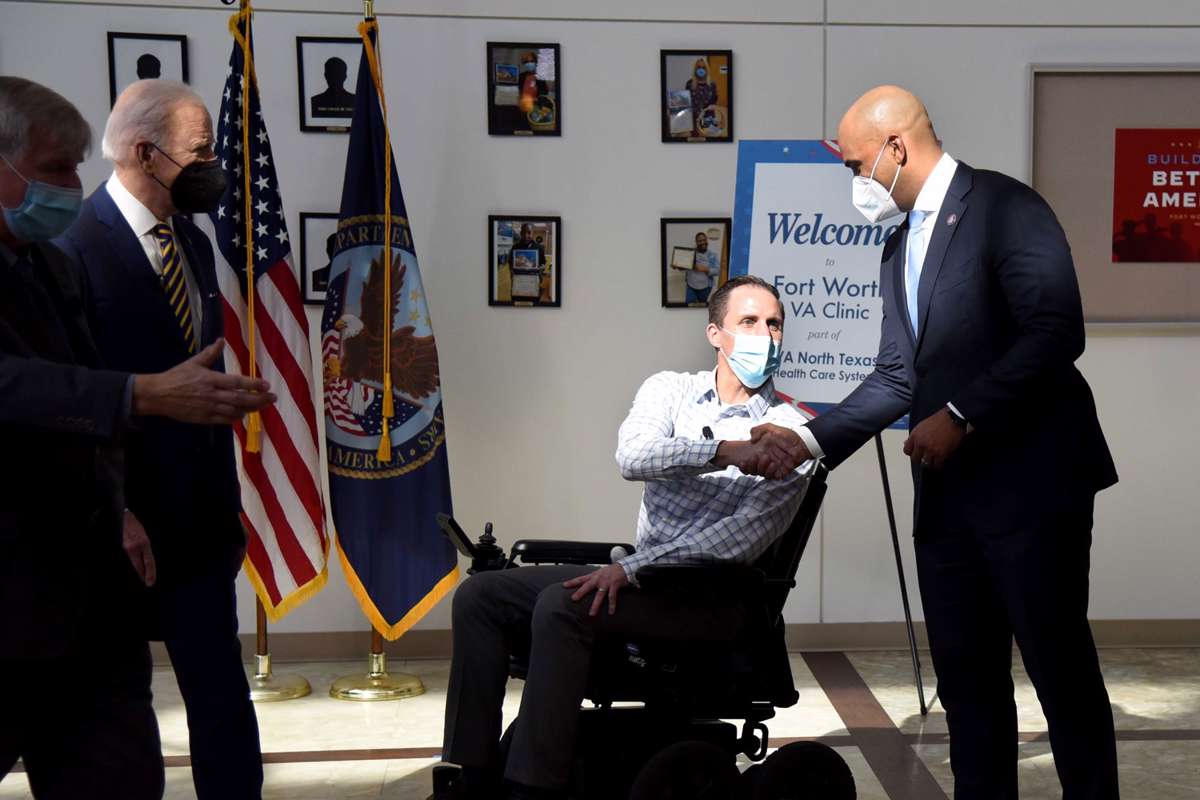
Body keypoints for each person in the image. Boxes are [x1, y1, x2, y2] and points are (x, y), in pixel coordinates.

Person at [786, 85, 1119, 798]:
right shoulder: (897, 245)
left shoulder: (1006, 207)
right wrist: (804, 443)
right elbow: (896, 377)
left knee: (1060, 673)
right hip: (948, 502)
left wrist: (962, 413)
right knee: (967, 685)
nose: (854, 183)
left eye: (855, 166)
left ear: (896, 148)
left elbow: (1057, 330)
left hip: (1033, 489)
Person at [437, 275, 814, 800]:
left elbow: (734, 546)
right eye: (748, 322)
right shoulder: (670, 389)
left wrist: (631, 568)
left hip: (713, 598)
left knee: (563, 606)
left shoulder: (790, 433)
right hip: (645, 581)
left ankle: (531, 790)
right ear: (715, 333)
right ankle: (470, 778)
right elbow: (633, 457)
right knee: (480, 596)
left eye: (773, 324)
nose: (764, 335)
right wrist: (724, 451)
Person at [0, 75, 273, 800]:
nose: (213, 164)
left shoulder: (186, 243)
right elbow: (49, 389)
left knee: (209, 704)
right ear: (149, 153)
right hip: (95, 540)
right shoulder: (73, 243)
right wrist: (120, 498)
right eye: (201, 150)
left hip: (188, 528)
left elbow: (192, 380)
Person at [684, 58, 718, 136]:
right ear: (695, 69)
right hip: (694, 117)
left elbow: (715, 97)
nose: (701, 70)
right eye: (698, 67)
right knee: (695, 138)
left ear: (707, 69)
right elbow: (686, 100)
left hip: (708, 116)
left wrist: (713, 105)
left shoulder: (712, 84)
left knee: (710, 136)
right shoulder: (689, 83)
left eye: (703, 67)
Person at [686, 230, 719, 304]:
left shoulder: (712, 255)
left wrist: (706, 269)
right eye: (700, 241)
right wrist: (678, 266)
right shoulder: (690, 253)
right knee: (688, 306)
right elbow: (684, 265)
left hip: (705, 288)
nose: (702, 242)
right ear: (696, 242)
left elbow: (717, 270)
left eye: (704, 240)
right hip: (690, 286)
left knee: (702, 306)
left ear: (707, 240)